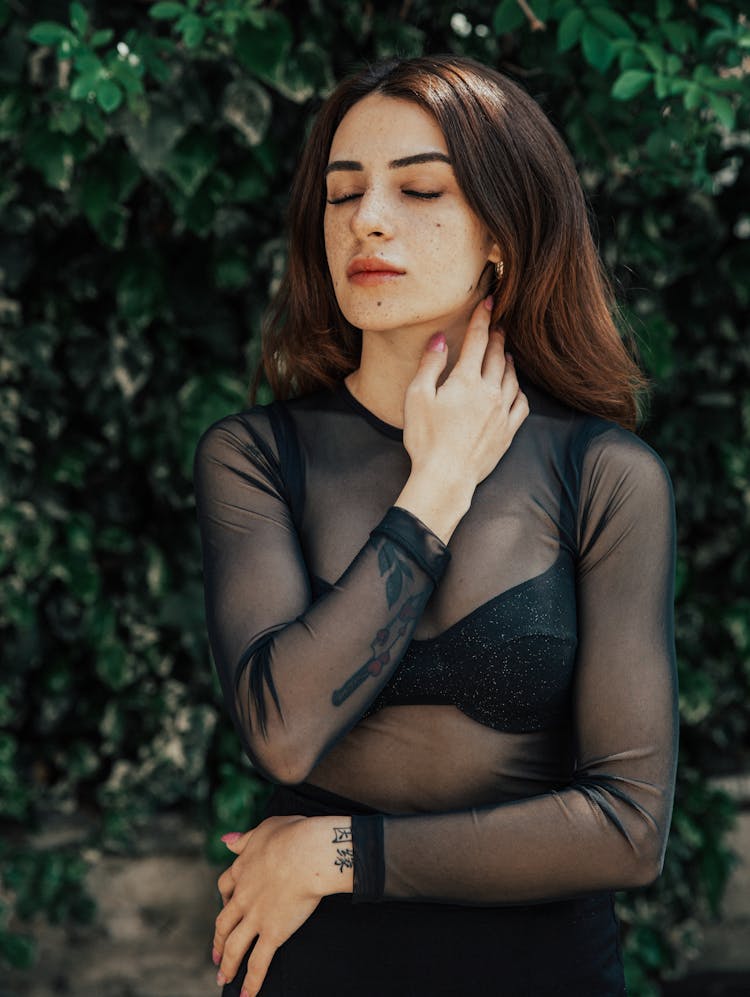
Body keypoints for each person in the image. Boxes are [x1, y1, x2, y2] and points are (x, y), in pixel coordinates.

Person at [192, 54, 678, 997]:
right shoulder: (256, 456)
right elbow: (285, 733)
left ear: (503, 233)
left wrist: (341, 853)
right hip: (315, 969)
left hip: (540, 971)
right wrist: (439, 484)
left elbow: (628, 828)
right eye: (343, 196)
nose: (368, 219)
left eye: (418, 189)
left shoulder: (604, 477)